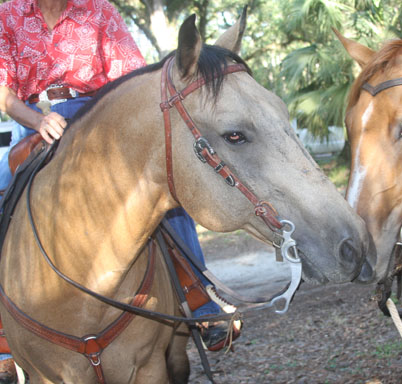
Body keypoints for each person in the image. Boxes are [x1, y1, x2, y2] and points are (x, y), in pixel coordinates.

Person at [0, 1, 238, 382]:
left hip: (100, 117)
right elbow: (3, 92)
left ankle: (200, 299)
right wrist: (39, 120)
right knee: (0, 187)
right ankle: (3, 337)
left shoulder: (99, 10)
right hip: (33, 120)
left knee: (161, 188)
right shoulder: (9, 14)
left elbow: (131, 80)